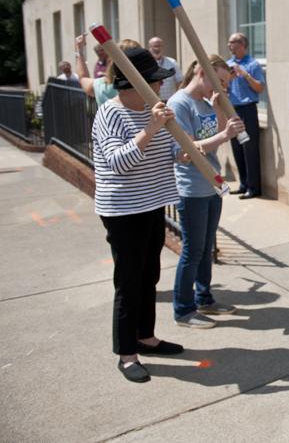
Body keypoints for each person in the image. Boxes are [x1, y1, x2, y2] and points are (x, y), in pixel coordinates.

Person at [92, 46, 185, 383]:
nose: (161, 87)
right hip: (122, 210)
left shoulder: (153, 110)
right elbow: (118, 163)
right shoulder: (109, 114)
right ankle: (127, 354)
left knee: (150, 276)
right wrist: (150, 128)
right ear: (135, 83)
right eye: (155, 82)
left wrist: (184, 154)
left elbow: (168, 151)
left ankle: (146, 337)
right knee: (128, 282)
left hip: (152, 203)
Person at [169, 55, 245, 329]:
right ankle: (183, 310)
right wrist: (224, 134)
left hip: (211, 184)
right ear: (201, 72)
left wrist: (220, 112)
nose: (223, 89)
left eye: (225, 83)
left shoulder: (205, 102)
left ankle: (204, 298)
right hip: (191, 188)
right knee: (192, 250)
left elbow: (214, 140)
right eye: (219, 82)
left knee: (206, 247)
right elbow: (184, 152)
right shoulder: (179, 103)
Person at [226, 32, 265, 199]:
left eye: (232, 42)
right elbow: (223, 88)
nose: (229, 45)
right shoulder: (227, 65)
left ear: (242, 44)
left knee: (249, 149)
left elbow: (259, 88)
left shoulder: (253, 64)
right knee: (237, 148)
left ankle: (253, 187)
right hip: (232, 109)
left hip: (248, 110)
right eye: (229, 42)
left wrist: (245, 74)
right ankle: (243, 184)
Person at [75, 35, 142, 106]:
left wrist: (79, 50)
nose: (99, 53)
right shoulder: (151, 84)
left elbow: (83, 78)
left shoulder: (102, 85)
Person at [148, 37, 184, 102]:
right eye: (155, 46)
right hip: (152, 102)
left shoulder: (172, 62)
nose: (157, 49)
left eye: (159, 46)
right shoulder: (147, 64)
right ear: (149, 48)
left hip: (170, 101)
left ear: (163, 47)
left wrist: (178, 98)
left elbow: (180, 82)